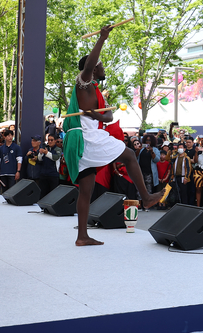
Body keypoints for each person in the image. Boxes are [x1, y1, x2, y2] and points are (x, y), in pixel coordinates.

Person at [62, 25, 163, 246]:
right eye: (100, 64)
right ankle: (146, 198)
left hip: (81, 138)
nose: (102, 67)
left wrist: (95, 114)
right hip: (84, 136)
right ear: (93, 68)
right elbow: (90, 63)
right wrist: (102, 38)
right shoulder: (84, 80)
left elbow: (107, 117)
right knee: (128, 155)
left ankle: (81, 237)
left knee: (86, 190)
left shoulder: (95, 91)